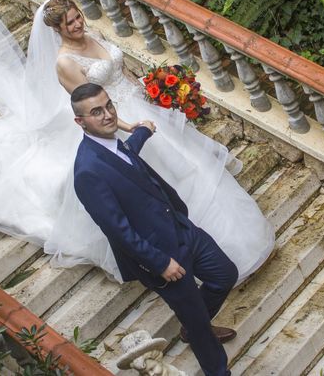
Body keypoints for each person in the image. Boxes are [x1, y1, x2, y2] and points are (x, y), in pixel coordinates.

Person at [0, 0, 274, 285]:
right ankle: (193, 252)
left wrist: (150, 90)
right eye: (70, 23)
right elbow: (91, 105)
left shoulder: (93, 34)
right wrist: (130, 126)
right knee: (162, 182)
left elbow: (120, 70)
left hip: (137, 104)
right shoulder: (65, 63)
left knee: (191, 167)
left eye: (77, 17)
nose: (78, 24)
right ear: (56, 30)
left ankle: (233, 240)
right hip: (116, 119)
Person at [71, 83, 236, 376]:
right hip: (161, 255)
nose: (108, 114)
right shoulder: (87, 171)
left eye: (109, 105)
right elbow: (118, 231)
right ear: (80, 121)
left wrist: (143, 132)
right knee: (199, 324)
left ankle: (193, 326)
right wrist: (160, 263)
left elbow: (128, 159)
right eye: (96, 112)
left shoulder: (112, 142)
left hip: (181, 229)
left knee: (225, 274)